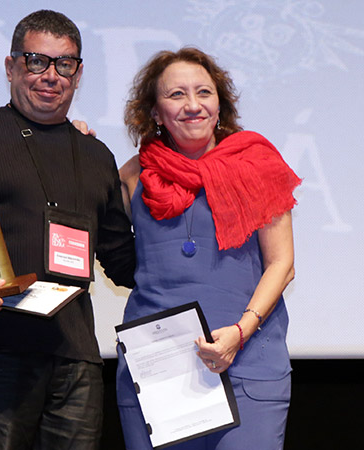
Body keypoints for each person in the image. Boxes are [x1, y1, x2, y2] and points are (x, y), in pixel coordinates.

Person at [0, 10, 135, 450]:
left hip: (75, 357)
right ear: (12, 66)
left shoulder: (96, 156)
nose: (50, 75)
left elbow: (123, 261)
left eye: (64, 64)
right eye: (36, 61)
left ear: (79, 73)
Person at [116, 47, 302, 449]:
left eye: (204, 92)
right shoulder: (133, 175)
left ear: (220, 104)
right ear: (154, 111)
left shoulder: (258, 166)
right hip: (157, 372)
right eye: (176, 95)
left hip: (248, 362)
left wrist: (240, 331)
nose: (192, 105)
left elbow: (282, 264)